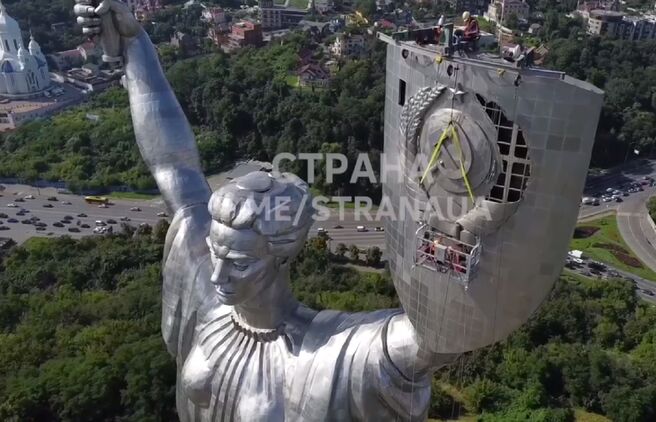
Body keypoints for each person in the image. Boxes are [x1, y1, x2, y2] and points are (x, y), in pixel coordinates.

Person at [73, 1, 457, 420]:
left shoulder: (336, 353)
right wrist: (135, 43)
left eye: (239, 264)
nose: (217, 274)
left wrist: (468, 213)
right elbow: (172, 166)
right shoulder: (211, 303)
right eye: (216, 255)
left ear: (283, 256)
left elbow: (436, 338)